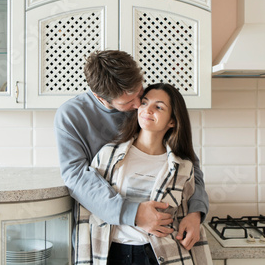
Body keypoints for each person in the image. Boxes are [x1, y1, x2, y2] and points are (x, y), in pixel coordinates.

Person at [54, 50, 209, 259]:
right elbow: (77, 178)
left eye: (140, 93)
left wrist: (196, 212)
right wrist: (134, 213)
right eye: (128, 103)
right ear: (100, 97)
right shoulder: (71, 117)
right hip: (112, 240)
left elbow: (188, 165)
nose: (138, 106)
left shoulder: (148, 108)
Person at [76, 83, 213, 265]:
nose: (147, 110)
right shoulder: (108, 155)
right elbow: (87, 209)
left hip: (160, 256)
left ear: (172, 121)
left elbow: (187, 219)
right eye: (144, 103)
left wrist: (196, 216)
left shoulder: (182, 167)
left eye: (158, 107)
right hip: (112, 254)